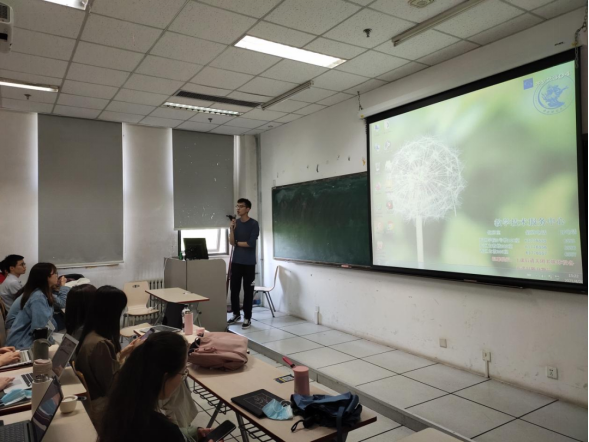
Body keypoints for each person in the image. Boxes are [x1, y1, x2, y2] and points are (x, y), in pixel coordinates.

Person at [100, 332, 219, 442]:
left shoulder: (120, 407)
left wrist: (193, 433)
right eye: (183, 372)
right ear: (165, 378)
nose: (182, 378)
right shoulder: (163, 430)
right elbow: (169, 434)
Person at [5, 263, 69, 349]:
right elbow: (40, 329)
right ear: (46, 277)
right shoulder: (38, 297)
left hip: (23, 339)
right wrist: (51, 345)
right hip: (22, 344)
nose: (57, 276)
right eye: (55, 273)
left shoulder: (39, 292)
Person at [227, 198, 260, 330]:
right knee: (234, 290)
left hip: (249, 263)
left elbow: (250, 243)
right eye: (237, 206)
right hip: (236, 262)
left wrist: (237, 243)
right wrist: (231, 229)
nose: (238, 208)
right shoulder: (236, 223)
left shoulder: (254, 224)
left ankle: (247, 317)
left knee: (248, 291)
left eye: (241, 206)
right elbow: (231, 242)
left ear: (247, 209)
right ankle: (236, 314)